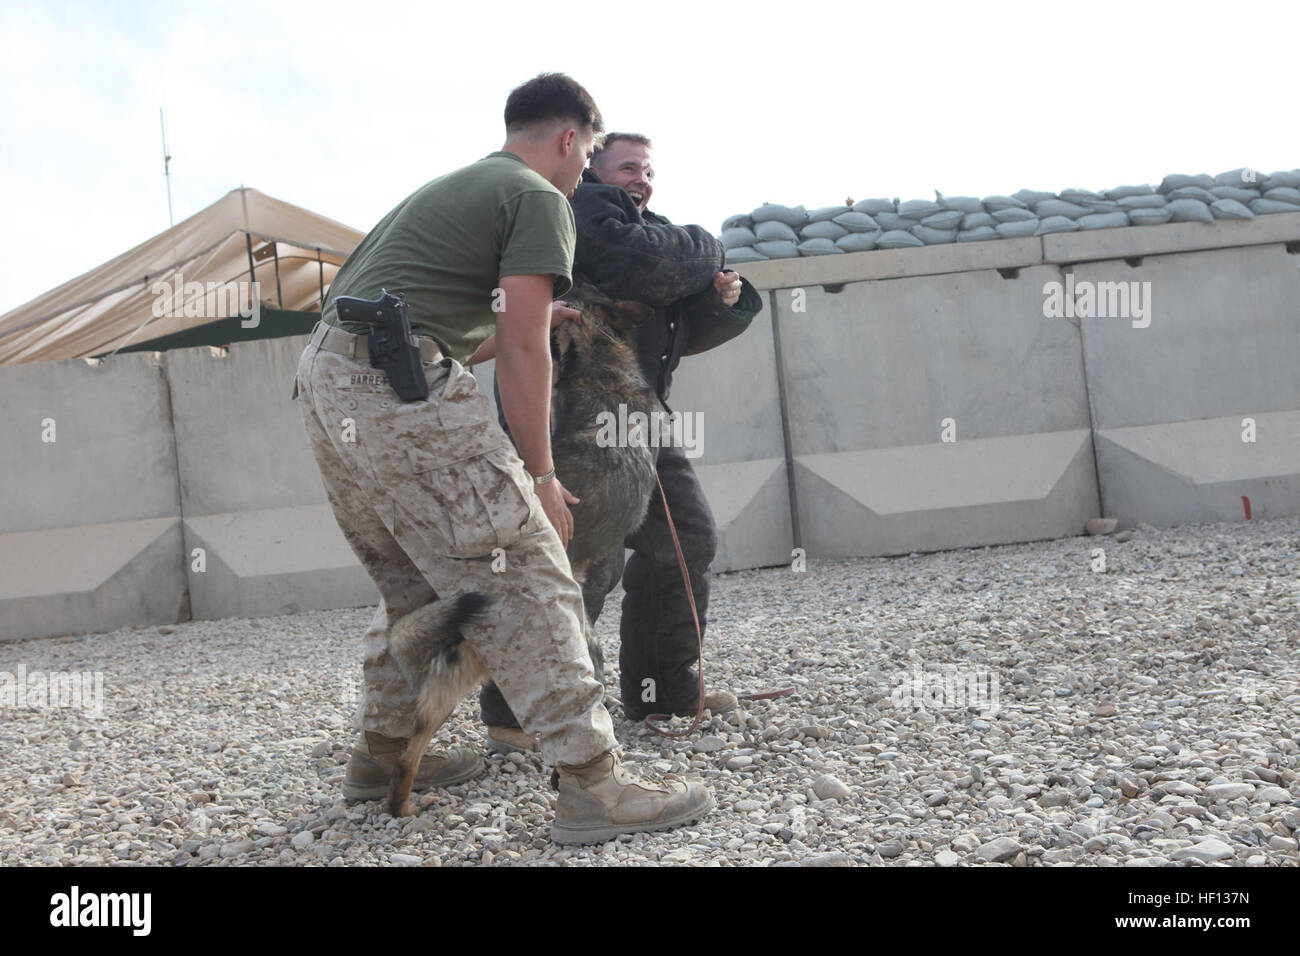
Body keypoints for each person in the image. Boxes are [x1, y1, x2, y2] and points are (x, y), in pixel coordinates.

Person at [292, 76, 712, 844]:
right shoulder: (538, 197)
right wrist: (545, 478)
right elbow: (522, 353)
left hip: (332, 386)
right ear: (568, 137)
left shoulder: (456, 185)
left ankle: (379, 764)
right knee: (527, 568)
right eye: (589, 150)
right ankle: (593, 784)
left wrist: (536, 317)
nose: (585, 168)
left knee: (416, 587)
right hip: (398, 392)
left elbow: (453, 333)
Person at [480, 132, 763, 754]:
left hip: (640, 415)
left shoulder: (650, 233)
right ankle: (521, 712)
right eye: (627, 166)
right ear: (594, 170)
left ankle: (662, 692)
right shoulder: (580, 211)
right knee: (583, 557)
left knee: (683, 539)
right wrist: (708, 246)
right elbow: (630, 263)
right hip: (573, 411)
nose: (641, 178)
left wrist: (722, 299)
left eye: (648, 168)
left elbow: (678, 328)